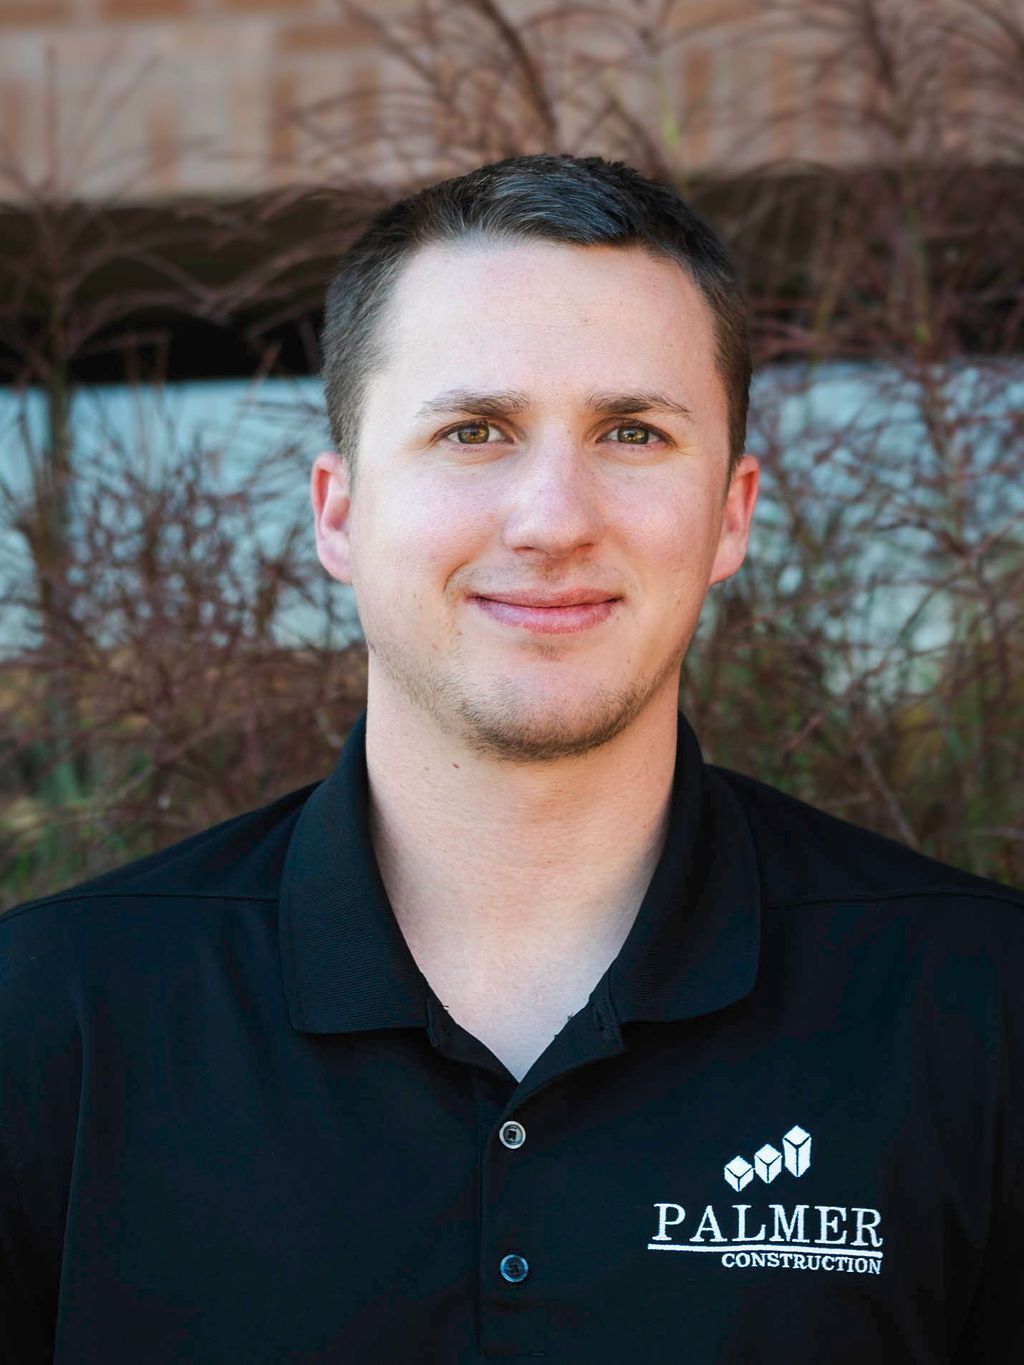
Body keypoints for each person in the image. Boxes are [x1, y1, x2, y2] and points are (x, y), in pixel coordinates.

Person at [1, 153, 1021, 1365]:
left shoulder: (981, 1007)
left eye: (632, 431)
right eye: (473, 430)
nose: (552, 517)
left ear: (732, 514)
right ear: (336, 511)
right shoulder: (49, 1020)